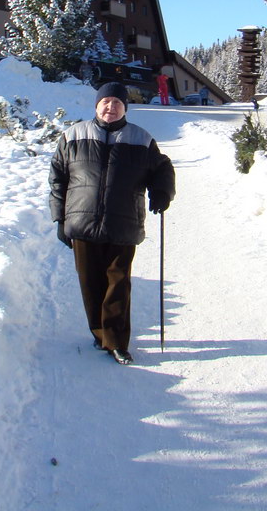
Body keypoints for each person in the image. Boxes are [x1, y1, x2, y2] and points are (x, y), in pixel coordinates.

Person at [49, 82, 175, 365]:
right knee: (90, 283)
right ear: (96, 105)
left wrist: (162, 192)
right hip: (81, 221)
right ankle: (99, 333)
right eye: (105, 102)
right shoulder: (73, 135)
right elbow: (58, 179)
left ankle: (117, 341)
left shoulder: (140, 139)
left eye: (117, 102)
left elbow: (162, 167)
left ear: (124, 108)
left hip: (123, 223)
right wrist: (59, 216)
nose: (111, 107)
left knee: (118, 283)